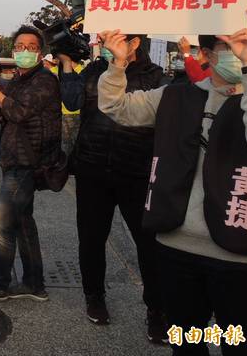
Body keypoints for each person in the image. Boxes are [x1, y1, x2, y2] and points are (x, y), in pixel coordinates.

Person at [96, 11, 247, 355]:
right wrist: (117, 65)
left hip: (242, 254)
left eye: (245, 44)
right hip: (176, 246)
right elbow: (117, 107)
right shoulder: (175, 95)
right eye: (229, 46)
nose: (238, 53)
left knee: (240, 346)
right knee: (186, 343)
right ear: (208, 53)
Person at [58, 35, 168, 341]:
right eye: (105, 39)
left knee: (148, 245)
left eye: (115, 38)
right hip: (92, 169)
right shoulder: (95, 70)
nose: (107, 44)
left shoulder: (157, 77)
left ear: (135, 42)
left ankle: (156, 311)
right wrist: (66, 65)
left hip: (137, 170)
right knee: (91, 240)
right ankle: (94, 298)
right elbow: (71, 100)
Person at [0, 25, 61, 307]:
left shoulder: (45, 80)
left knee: (2, 225)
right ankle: (34, 284)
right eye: (19, 46)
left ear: (41, 53)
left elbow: (18, 113)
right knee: (22, 224)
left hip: (27, 162)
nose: (23, 51)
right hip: (13, 160)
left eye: (31, 47)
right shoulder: (17, 80)